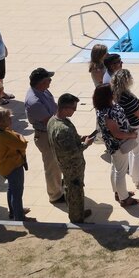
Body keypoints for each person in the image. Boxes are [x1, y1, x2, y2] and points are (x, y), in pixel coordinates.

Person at [48, 92, 95, 224]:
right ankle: (77, 219)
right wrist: (85, 144)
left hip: (64, 163)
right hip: (72, 166)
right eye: (73, 108)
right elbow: (72, 152)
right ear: (64, 108)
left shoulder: (53, 120)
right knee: (75, 191)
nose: (74, 111)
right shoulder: (63, 129)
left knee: (73, 190)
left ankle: (77, 212)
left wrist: (79, 138)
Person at [93, 84, 139, 207]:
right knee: (120, 171)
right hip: (118, 146)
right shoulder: (108, 113)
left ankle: (118, 192)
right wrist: (131, 135)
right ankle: (124, 199)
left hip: (112, 145)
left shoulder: (102, 109)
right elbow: (117, 133)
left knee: (115, 168)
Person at [25, 67, 65, 204]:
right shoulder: (34, 101)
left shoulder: (43, 90)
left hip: (52, 131)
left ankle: (60, 184)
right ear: (41, 83)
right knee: (51, 166)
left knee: (58, 162)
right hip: (45, 135)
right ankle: (55, 195)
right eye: (48, 79)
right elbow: (49, 120)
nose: (51, 81)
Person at [110, 69, 139, 187]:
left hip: (125, 125)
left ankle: (134, 173)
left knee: (131, 150)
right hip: (135, 126)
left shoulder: (113, 94)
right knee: (138, 152)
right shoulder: (128, 98)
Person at [0, 106, 29, 221]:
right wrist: (20, 135)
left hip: (5, 167)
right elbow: (22, 144)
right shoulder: (4, 135)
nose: (11, 119)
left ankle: (14, 211)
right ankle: (19, 217)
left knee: (11, 189)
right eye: (8, 118)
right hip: (13, 166)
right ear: (1, 121)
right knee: (17, 193)